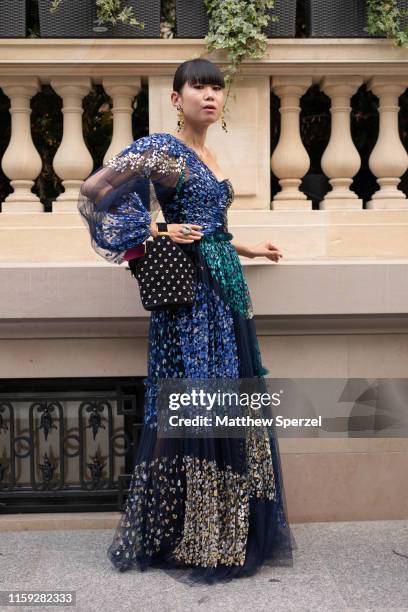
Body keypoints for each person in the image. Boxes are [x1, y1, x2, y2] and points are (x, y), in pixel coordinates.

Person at [77, 57, 296, 585]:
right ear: (177, 99)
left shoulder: (211, 154)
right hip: (190, 298)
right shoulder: (163, 150)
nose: (209, 95)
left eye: (216, 87)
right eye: (198, 86)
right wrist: (155, 229)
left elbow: (213, 225)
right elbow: (93, 193)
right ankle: (194, 534)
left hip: (226, 290)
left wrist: (249, 245)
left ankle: (224, 530)